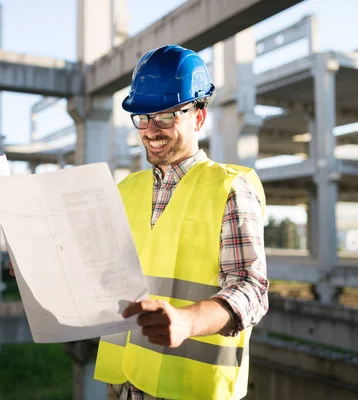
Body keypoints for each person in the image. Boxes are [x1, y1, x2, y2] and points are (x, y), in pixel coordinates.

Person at [93, 45, 269, 400]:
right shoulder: (125, 191)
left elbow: (252, 290)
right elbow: (102, 272)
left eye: (166, 117)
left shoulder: (230, 189)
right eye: (142, 117)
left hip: (191, 391)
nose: (151, 130)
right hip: (122, 386)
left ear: (199, 117)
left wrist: (187, 321)